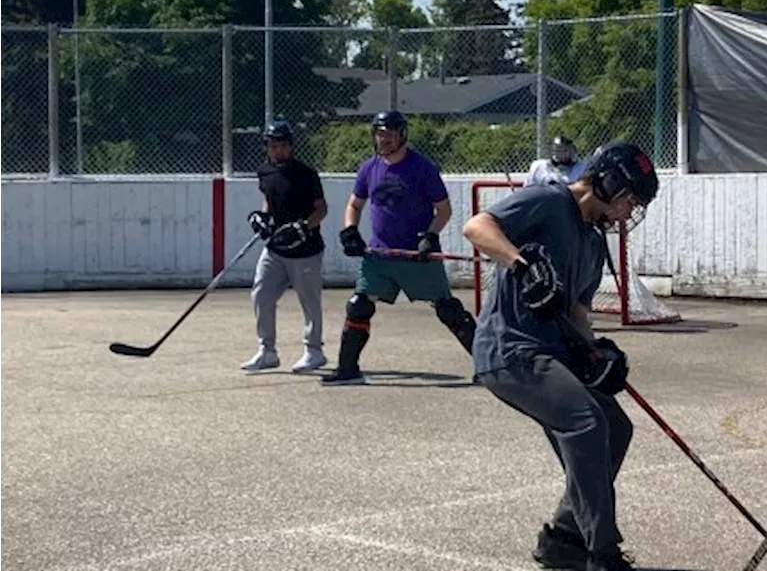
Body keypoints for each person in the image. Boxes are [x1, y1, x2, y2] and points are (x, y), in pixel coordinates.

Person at [462, 141, 660, 571]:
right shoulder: (549, 200)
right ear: (608, 183)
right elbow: (477, 226)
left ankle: (565, 539)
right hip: (510, 348)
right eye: (630, 200)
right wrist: (521, 265)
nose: (630, 212)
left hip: (550, 352)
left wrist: (596, 354)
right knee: (586, 422)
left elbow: (577, 314)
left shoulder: (591, 243)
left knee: (615, 425)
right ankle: (602, 554)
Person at [323, 110, 478, 386]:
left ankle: (490, 367)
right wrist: (350, 230)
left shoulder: (422, 168)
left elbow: (443, 209)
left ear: (402, 136)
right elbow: (354, 204)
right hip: (380, 255)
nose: (384, 140)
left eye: (390, 135)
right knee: (359, 305)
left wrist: (430, 236)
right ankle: (348, 369)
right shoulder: (369, 167)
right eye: (380, 134)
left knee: (448, 309)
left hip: (416, 256)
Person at [241, 120, 330, 373]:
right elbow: (269, 201)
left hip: (306, 251)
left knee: (309, 301)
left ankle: (314, 351)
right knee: (261, 294)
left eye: (282, 145)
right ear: (266, 147)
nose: (278, 150)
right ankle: (267, 351)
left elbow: (321, 209)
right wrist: (263, 218)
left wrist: (304, 227)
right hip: (275, 250)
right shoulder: (265, 172)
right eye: (272, 145)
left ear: (291, 146)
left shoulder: (306, 174)